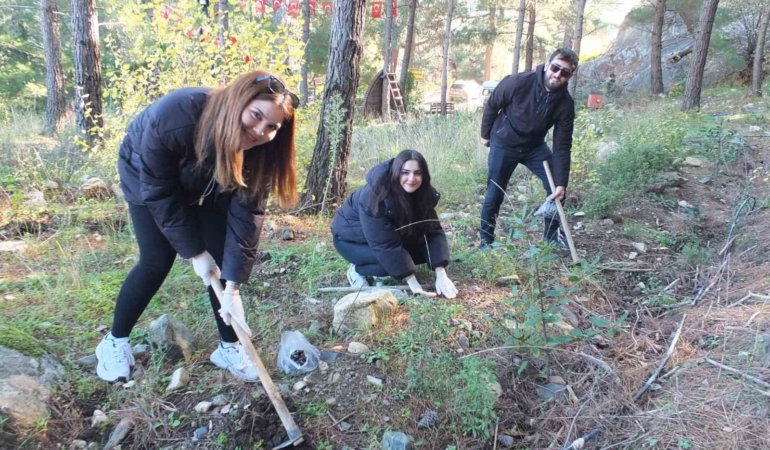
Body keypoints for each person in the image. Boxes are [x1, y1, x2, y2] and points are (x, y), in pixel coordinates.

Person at [94, 71, 299, 383]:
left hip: (211, 174)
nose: (259, 131)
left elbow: (247, 214)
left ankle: (229, 348)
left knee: (221, 262)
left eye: (271, 126)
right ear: (238, 101)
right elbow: (159, 193)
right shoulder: (176, 115)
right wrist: (193, 252)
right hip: (146, 176)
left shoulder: (260, 148)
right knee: (156, 259)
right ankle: (113, 342)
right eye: (256, 116)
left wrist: (233, 286)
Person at [479, 48, 578, 250]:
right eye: (555, 67)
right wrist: (485, 134)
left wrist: (562, 182)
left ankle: (551, 237)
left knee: (557, 189)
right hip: (504, 141)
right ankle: (486, 241)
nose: (558, 74)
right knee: (495, 192)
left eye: (565, 72)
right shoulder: (519, 82)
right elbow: (493, 104)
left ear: (570, 76)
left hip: (534, 147)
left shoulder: (565, 104)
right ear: (547, 65)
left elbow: (562, 144)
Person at [331, 150, 458, 299]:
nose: (412, 179)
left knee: (419, 255)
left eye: (417, 173)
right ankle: (357, 270)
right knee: (387, 265)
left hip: (383, 237)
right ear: (396, 172)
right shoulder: (374, 196)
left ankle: (380, 266)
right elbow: (384, 244)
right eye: (405, 172)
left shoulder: (423, 192)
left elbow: (432, 231)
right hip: (350, 240)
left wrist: (441, 272)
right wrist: (414, 284)